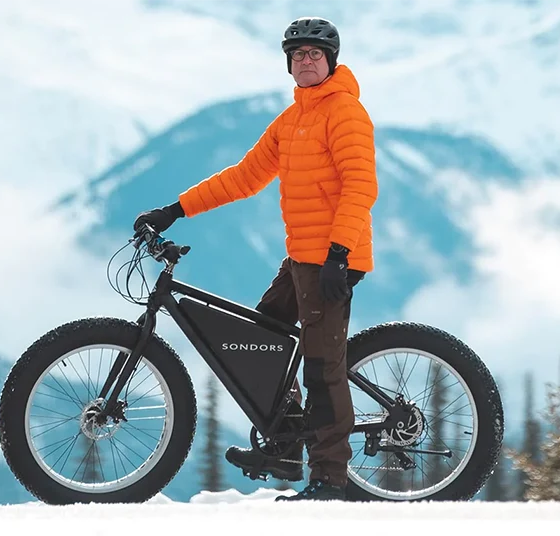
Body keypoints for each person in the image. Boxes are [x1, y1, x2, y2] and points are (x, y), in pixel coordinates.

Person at [134, 16, 378, 501]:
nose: (306, 61)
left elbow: (360, 186)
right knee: (265, 332)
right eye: (298, 55)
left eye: (315, 54)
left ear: (331, 60)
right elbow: (243, 178)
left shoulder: (345, 114)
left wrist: (339, 254)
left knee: (321, 364)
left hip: (332, 258)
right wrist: (174, 211)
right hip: (302, 259)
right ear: (289, 65)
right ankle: (285, 447)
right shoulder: (293, 121)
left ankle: (330, 478)